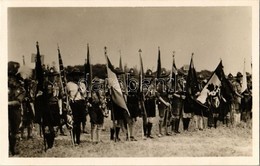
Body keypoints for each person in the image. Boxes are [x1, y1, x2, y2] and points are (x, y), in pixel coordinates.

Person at [8, 61, 26, 155]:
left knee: (14, 130)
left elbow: (20, 97)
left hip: (14, 108)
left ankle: (12, 148)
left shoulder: (19, 82)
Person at [67, 68, 87, 145]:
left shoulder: (82, 84)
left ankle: (78, 139)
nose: (77, 77)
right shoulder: (69, 85)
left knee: (80, 122)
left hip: (81, 103)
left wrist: (80, 88)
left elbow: (84, 94)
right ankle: (74, 139)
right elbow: (67, 95)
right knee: (74, 122)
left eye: (78, 75)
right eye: (75, 75)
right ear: (72, 76)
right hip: (73, 104)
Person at [126, 68, 140, 141]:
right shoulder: (126, 83)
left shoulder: (136, 83)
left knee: (134, 120)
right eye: (130, 75)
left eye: (133, 76)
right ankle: (128, 135)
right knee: (129, 120)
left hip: (135, 102)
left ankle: (132, 135)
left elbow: (138, 93)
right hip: (129, 102)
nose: (132, 77)